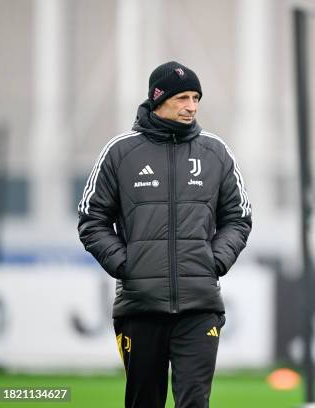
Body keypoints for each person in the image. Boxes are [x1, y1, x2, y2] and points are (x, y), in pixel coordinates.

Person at [77, 61, 252, 408]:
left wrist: (213, 262)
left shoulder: (215, 152)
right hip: (140, 308)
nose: (192, 106)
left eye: (196, 98)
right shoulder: (120, 152)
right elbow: (91, 219)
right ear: (158, 99)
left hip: (199, 307)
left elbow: (239, 218)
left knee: (194, 403)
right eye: (183, 98)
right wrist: (128, 266)